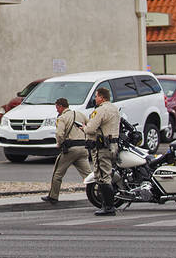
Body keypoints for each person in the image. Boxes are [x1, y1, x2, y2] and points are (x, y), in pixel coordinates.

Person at [41, 97, 92, 204]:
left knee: (58, 173)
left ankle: (53, 196)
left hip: (70, 149)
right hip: (83, 148)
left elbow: (59, 134)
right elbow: (90, 126)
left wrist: (59, 144)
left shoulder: (62, 118)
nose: (56, 110)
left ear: (60, 106)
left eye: (57, 107)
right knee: (88, 175)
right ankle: (99, 192)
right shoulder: (80, 114)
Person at [84, 86, 121, 216]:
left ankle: (108, 207)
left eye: (96, 96)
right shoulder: (114, 109)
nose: (95, 99)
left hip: (102, 147)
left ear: (101, 97)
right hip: (113, 145)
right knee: (108, 174)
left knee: (102, 176)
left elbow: (90, 129)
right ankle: (108, 205)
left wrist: (84, 127)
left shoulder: (100, 110)